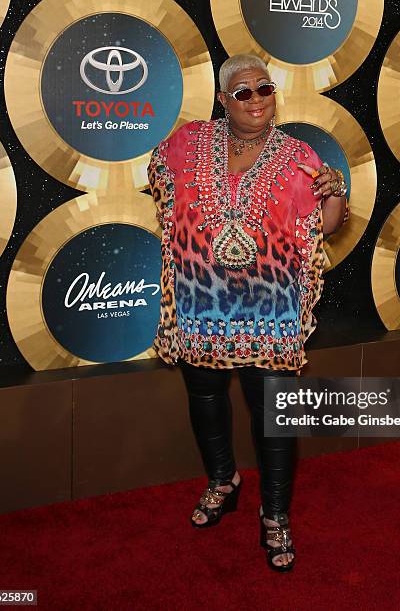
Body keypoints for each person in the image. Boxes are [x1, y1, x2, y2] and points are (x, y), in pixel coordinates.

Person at [147, 54, 349, 572]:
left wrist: (334, 193)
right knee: (205, 395)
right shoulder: (190, 142)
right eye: (244, 92)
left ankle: (275, 513)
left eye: (265, 88)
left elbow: (325, 226)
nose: (257, 98)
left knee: (271, 411)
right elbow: (158, 174)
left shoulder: (298, 155)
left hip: (268, 307)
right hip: (201, 300)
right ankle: (222, 480)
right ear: (223, 101)